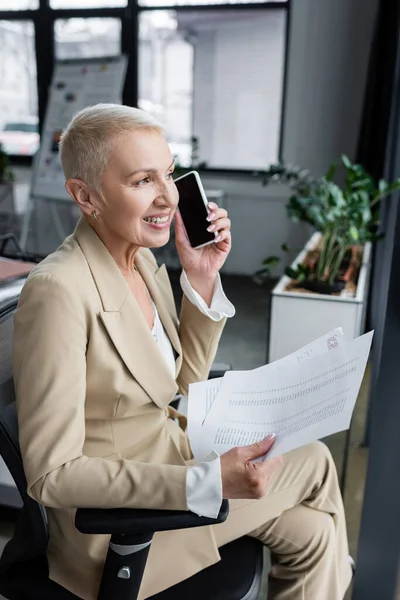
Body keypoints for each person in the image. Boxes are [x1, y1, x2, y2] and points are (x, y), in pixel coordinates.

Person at [13, 103, 352, 600]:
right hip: (121, 528)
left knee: (316, 536)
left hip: (172, 462)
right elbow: (52, 474)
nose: (168, 196)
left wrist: (200, 276)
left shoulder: (145, 264)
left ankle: (339, 563)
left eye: (169, 174)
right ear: (85, 196)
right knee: (318, 460)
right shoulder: (58, 292)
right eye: (142, 180)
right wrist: (205, 483)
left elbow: (177, 385)